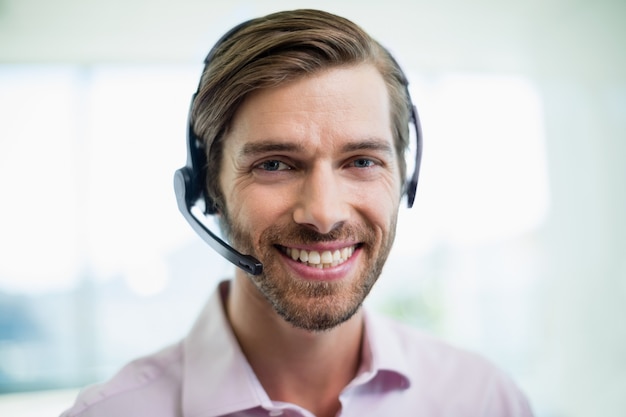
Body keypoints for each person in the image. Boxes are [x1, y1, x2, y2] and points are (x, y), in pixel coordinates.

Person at [61, 9, 533, 417]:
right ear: (209, 185)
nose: (324, 214)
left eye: (362, 161)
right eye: (274, 165)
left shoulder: (484, 399)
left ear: (405, 177)